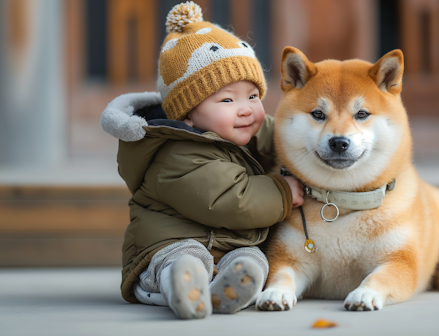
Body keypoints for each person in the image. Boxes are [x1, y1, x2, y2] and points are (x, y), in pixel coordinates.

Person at [100, 1, 303, 319]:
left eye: (252, 96)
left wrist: (304, 141)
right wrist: (283, 191)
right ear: (188, 115)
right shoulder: (176, 153)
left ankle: (232, 284)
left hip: (228, 243)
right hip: (169, 243)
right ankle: (180, 283)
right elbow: (231, 201)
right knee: (185, 257)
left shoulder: (237, 128)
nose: (246, 108)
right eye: (227, 99)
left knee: (253, 258)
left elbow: (276, 135)